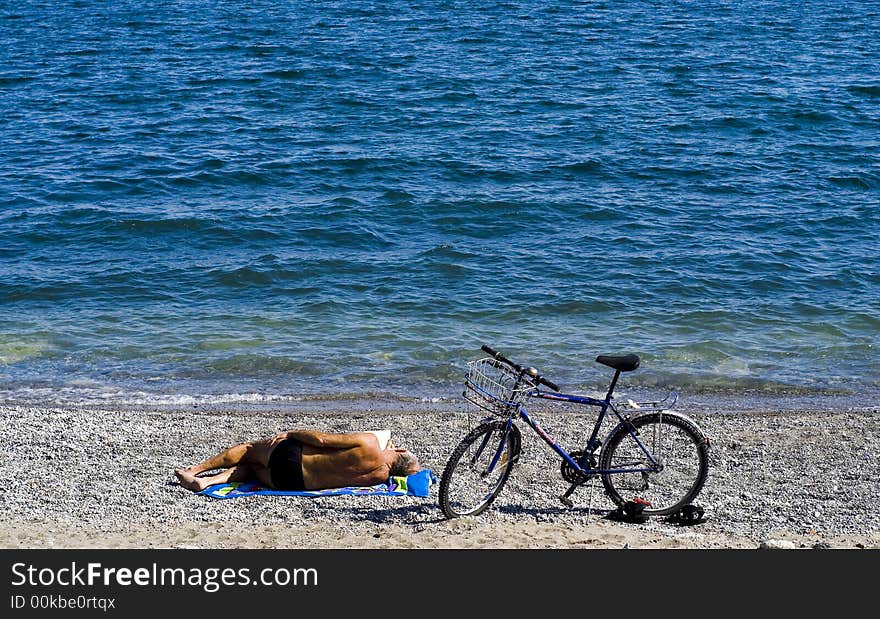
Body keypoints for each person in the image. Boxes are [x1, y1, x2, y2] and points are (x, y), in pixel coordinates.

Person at [174, 429, 420, 493]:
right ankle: (207, 484)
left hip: (292, 458)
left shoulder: (369, 444)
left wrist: (291, 434)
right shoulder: (379, 478)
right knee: (250, 470)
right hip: (290, 482)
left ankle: (195, 470)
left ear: (399, 450)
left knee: (249, 450)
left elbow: (323, 441)